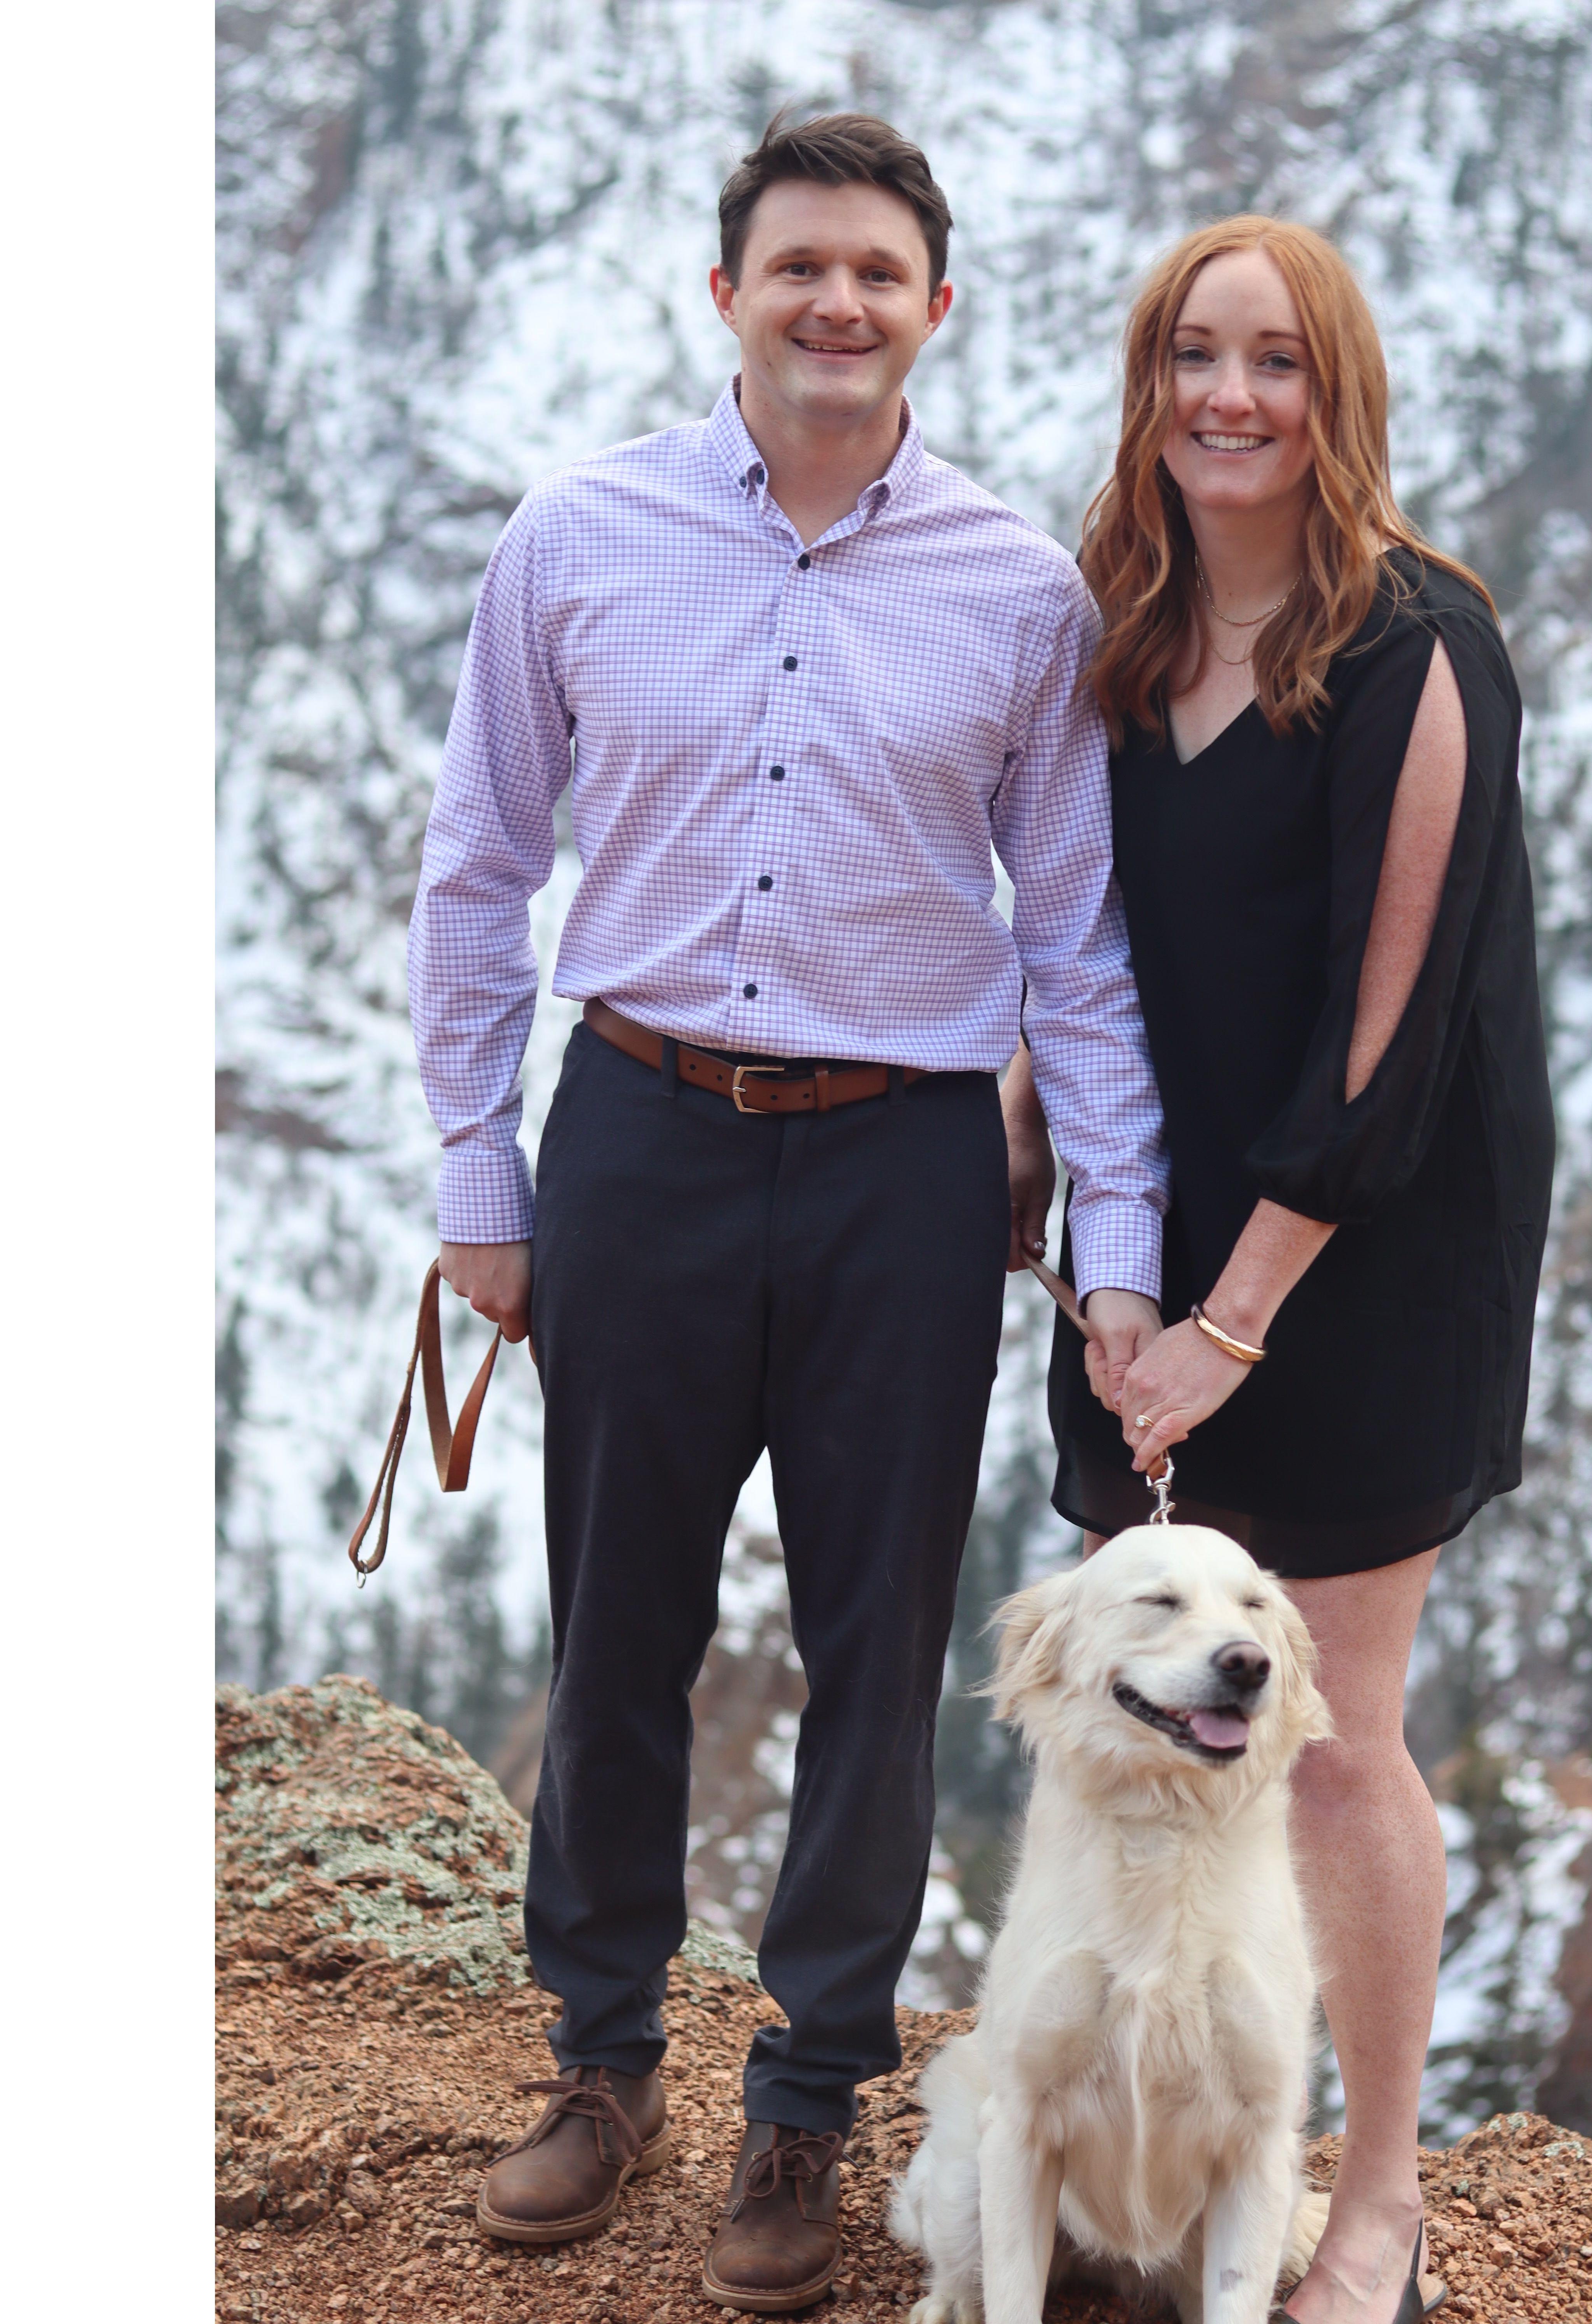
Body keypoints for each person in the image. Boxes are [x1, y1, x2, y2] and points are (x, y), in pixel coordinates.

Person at [406, 112, 1168, 2313]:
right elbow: (479, 868)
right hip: (637, 1133)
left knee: (874, 1646)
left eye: (877, 272)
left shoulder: (1019, 592)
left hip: (903, 1169)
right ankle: (601, 2065)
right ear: (726, 290)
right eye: (799, 265)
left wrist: (1118, 1248)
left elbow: (1079, 948)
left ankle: (808, 2103)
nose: (838, 301)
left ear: (939, 307)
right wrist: (480, 1173)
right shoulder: (578, 538)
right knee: (617, 1624)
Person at [1002, 217, 1554, 2324]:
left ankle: (1374, 2206)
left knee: (1327, 1736)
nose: (1230, 397)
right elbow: (1077, 940)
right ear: (1149, 385)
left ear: (1340, 395)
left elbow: (1385, 1036)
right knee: (1146, 1720)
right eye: (1193, 356)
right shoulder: (1121, 628)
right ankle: (1156, 2174)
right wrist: (1064, 1189)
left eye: (1277, 362)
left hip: (1372, 1243)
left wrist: (1241, 1315)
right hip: (1154, 1236)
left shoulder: (1419, 644)